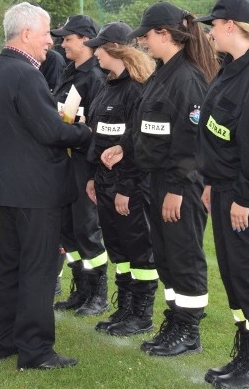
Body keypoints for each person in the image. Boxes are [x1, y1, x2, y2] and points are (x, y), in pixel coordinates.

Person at [101, 1, 219, 357]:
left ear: (165, 34)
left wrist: (177, 189)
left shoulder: (188, 78)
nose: (143, 44)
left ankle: (189, 329)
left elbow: (191, 142)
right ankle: (175, 321)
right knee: (166, 259)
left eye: (147, 36)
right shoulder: (162, 73)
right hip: (156, 180)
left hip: (178, 185)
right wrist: (124, 147)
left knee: (184, 258)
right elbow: (146, 128)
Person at [0, 2, 92, 370]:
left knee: (10, 266)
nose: (52, 42)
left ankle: (2, 340)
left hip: (11, 186)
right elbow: (50, 131)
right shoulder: (25, 74)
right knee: (39, 270)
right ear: (26, 34)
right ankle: (35, 349)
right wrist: (82, 130)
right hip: (38, 190)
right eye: (46, 33)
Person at [194, 0, 249, 388]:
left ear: (230, 26)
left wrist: (246, 197)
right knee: (234, 276)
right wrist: (214, 183)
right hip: (228, 188)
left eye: (213, 25)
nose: (210, 32)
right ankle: (246, 355)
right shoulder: (233, 68)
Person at [82, 22, 158, 336]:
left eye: (99, 46)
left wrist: (126, 188)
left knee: (138, 249)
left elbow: (139, 145)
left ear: (116, 48)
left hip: (128, 186)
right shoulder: (108, 85)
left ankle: (141, 315)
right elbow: (99, 138)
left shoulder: (138, 88)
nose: (95, 52)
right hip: (104, 182)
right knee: (119, 250)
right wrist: (92, 178)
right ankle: (125, 308)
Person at [50, 15, 110, 316]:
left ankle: (98, 293)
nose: (62, 43)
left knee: (87, 228)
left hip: (84, 165)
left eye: (67, 38)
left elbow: (98, 127)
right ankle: (81, 289)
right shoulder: (69, 71)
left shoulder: (96, 77)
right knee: (68, 229)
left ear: (85, 39)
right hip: (65, 162)